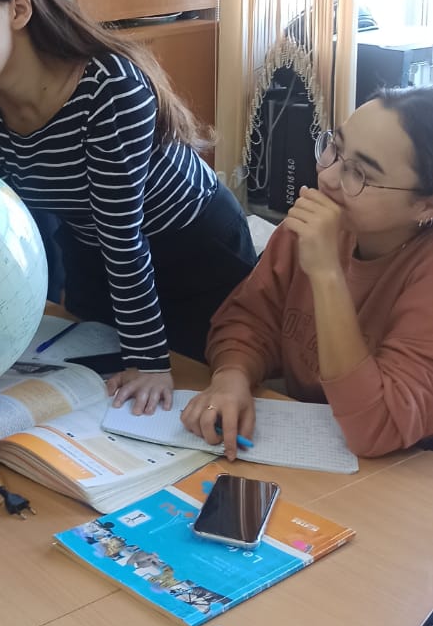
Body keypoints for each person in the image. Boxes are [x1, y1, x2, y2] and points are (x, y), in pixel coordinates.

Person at [0, 0, 256, 412]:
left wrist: (149, 361)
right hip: (94, 252)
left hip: (192, 252)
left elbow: (123, 235)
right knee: (92, 395)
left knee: (187, 396)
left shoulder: (108, 89)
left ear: (18, 9)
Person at [184, 88, 433, 458]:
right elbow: (248, 321)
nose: (327, 177)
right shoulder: (316, 227)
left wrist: (327, 274)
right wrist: (231, 376)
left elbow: (376, 427)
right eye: (335, 148)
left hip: (403, 471)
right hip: (315, 449)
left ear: (425, 205)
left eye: (359, 173)